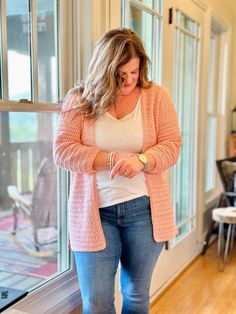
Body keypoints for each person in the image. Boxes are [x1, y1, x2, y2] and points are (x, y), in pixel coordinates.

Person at [53, 28, 182, 314]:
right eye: (120, 75)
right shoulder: (80, 100)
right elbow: (62, 151)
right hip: (95, 213)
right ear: (104, 70)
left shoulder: (155, 97)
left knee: (136, 296)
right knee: (97, 303)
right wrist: (111, 158)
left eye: (134, 72)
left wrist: (143, 160)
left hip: (144, 212)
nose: (128, 81)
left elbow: (172, 145)